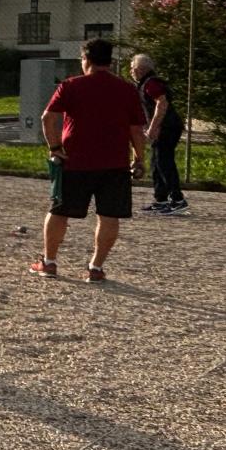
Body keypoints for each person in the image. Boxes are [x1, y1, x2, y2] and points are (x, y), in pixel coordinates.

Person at [31, 37, 148, 283]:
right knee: (109, 216)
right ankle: (95, 268)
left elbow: (47, 118)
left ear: (85, 59)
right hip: (115, 163)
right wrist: (139, 159)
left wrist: (54, 147)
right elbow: (136, 130)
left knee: (59, 211)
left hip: (74, 161)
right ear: (111, 61)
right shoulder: (127, 89)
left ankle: (49, 262)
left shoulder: (71, 85)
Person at [130, 53, 187, 214]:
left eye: (132, 68)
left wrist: (154, 127)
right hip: (164, 126)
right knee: (156, 161)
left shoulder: (151, 83)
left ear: (140, 69)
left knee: (164, 161)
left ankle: (178, 200)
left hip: (167, 127)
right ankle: (161, 199)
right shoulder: (145, 83)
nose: (131, 71)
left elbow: (162, 103)